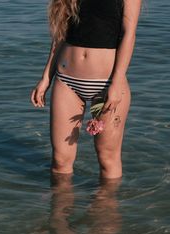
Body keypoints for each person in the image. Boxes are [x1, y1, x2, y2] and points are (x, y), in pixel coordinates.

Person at [31, 0, 142, 179]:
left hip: (107, 83)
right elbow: (60, 34)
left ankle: (104, 207)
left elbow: (129, 34)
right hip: (67, 82)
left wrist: (118, 81)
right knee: (60, 160)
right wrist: (46, 77)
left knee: (107, 158)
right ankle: (61, 206)